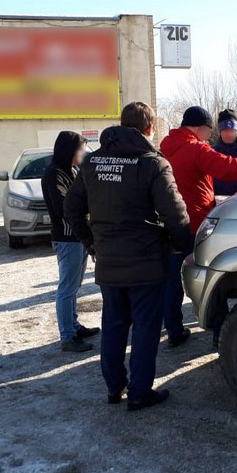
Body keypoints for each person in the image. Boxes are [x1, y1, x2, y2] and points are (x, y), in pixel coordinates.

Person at [64, 102, 191, 411]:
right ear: (149, 129)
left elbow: (71, 209)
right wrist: (181, 245)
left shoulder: (92, 163)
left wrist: (93, 243)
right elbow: (176, 214)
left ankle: (114, 387)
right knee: (146, 330)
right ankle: (139, 392)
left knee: (114, 326)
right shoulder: (152, 163)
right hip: (147, 263)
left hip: (110, 263)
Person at [160, 106, 237, 347]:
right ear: (199, 128)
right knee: (211, 275)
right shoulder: (196, 148)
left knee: (171, 279)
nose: (210, 135)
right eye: (208, 130)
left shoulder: (166, 146)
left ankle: (173, 329)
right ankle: (219, 332)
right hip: (194, 223)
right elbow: (229, 167)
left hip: (170, 222)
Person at [41, 131, 99, 353]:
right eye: (80, 149)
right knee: (67, 288)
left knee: (74, 286)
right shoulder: (53, 174)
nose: (83, 153)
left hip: (79, 237)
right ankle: (67, 336)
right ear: (70, 150)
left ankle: (74, 326)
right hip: (67, 239)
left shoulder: (71, 170)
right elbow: (64, 208)